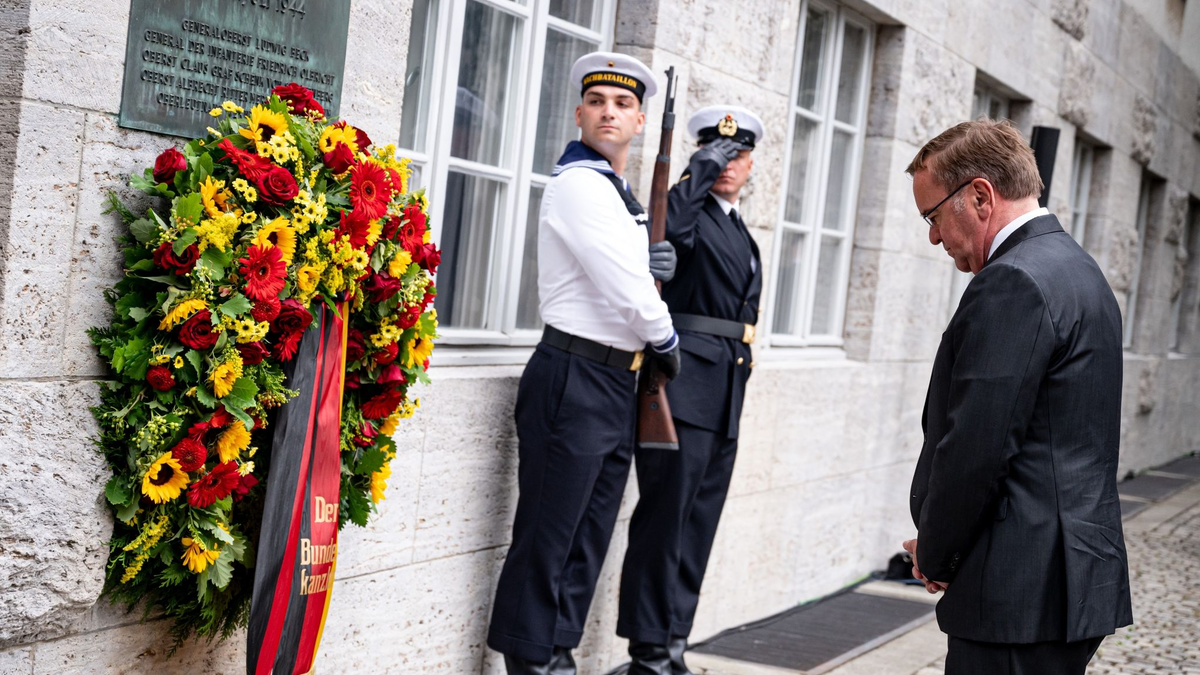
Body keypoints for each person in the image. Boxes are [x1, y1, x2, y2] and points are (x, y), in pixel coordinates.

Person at [903, 119, 1132, 675]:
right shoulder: (1078, 268)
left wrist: (936, 553)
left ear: (980, 195)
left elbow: (976, 448)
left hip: (1019, 586)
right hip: (1070, 576)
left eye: (933, 215)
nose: (933, 236)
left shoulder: (1014, 281)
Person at [486, 51, 682, 675]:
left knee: (588, 534)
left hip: (614, 380)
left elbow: (632, 285)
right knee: (549, 536)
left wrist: (656, 273)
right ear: (578, 113)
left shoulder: (620, 196)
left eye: (623, 104)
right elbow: (627, 292)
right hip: (573, 374)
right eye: (597, 101)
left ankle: (559, 653)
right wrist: (666, 335)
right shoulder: (579, 185)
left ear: (641, 121)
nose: (608, 112)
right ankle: (531, 664)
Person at [617, 105, 764, 675]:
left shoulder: (737, 226)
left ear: (752, 164)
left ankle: (674, 641)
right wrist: (698, 168)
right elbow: (668, 225)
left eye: (736, 155)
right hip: (682, 390)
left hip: (724, 392)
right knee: (664, 521)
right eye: (716, 154)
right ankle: (649, 652)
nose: (727, 165)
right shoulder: (691, 214)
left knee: (697, 523)